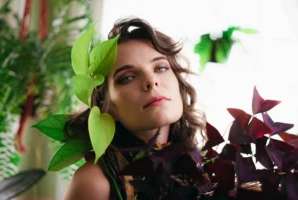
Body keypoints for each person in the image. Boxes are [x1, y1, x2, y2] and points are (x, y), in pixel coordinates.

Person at [63, 17, 205, 200]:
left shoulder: (201, 163)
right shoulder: (95, 182)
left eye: (160, 68)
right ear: (107, 107)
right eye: (127, 78)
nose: (151, 81)